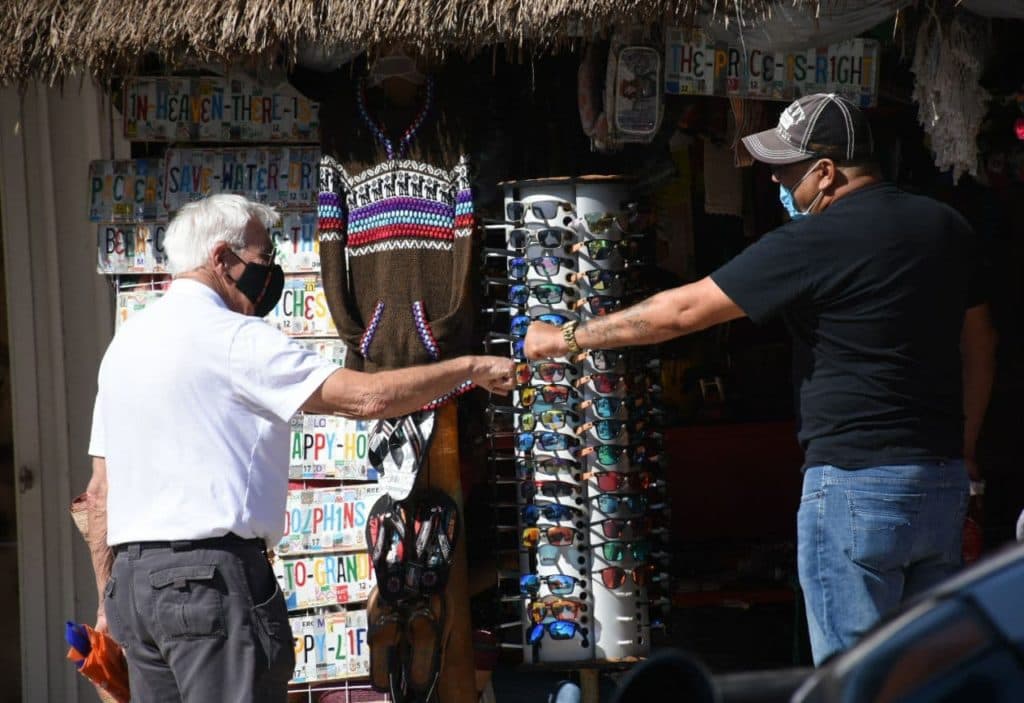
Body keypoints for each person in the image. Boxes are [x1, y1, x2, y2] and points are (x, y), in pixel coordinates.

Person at [525, 93, 997, 665]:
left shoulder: (812, 241)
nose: (775, 180)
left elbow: (681, 313)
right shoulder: (946, 227)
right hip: (940, 482)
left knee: (854, 681)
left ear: (825, 173)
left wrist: (568, 337)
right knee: (931, 677)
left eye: (787, 168)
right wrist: (965, 446)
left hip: (852, 485)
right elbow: (980, 340)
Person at [86, 194, 514, 702]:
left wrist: (106, 600)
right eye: (265, 258)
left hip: (135, 587)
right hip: (209, 585)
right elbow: (368, 396)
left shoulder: (124, 347)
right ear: (223, 260)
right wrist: (470, 368)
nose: (272, 273)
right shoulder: (234, 338)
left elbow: (98, 493)